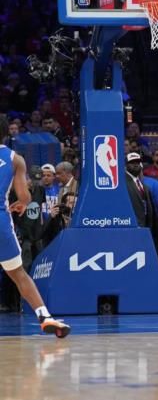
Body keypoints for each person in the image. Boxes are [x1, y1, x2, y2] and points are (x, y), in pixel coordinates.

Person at [0, 116, 70, 337]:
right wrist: (20, 204)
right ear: (7, 134)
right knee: (19, 274)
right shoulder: (15, 159)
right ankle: (45, 317)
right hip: (1, 222)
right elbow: (24, 196)